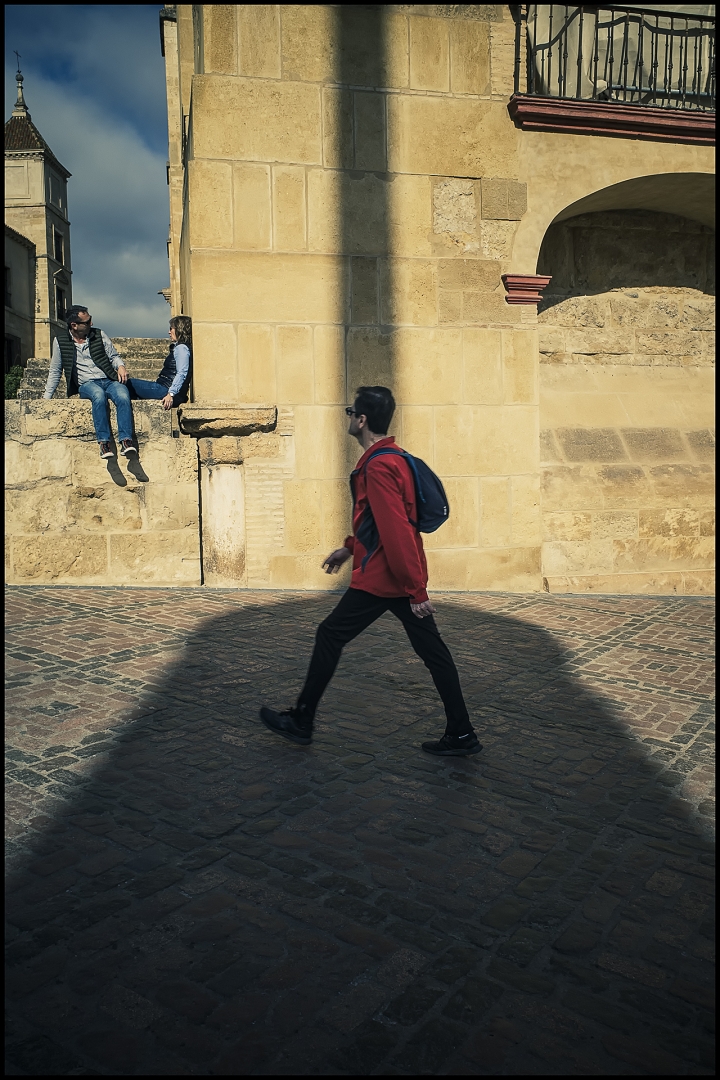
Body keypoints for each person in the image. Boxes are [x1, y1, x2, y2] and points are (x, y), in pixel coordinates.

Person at [260, 386, 482, 757]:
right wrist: (348, 549)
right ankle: (461, 733)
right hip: (394, 575)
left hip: (383, 579)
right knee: (434, 653)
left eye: (351, 412)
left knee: (330, 635)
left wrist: (416, 591)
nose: (348, 417)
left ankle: (301, 721)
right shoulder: (393, 458)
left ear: (361, 420)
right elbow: (376, 523)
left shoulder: (378, 466)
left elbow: (396, 531)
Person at [43, 305, 135, 459]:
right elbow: (55, 371)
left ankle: (126, 441)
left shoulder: (99, 334)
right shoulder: (60, 342)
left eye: (90, 319)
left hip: (108, 379)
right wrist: (47, 397)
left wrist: (121, 366)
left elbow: (113, 356)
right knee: (98, 396)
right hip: (87, 384)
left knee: (123, 395)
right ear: (74, 325)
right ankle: (104, 444)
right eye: (87, 322)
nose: (91, 324)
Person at [127, 315, 192, 410]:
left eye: (171, 328)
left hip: (165, 389)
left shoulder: (181, 348)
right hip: (166, 388)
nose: (169, 332)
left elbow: (182, 372)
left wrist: (171, 394)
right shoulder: (181, 347)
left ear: (179, 329)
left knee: (127, 383)